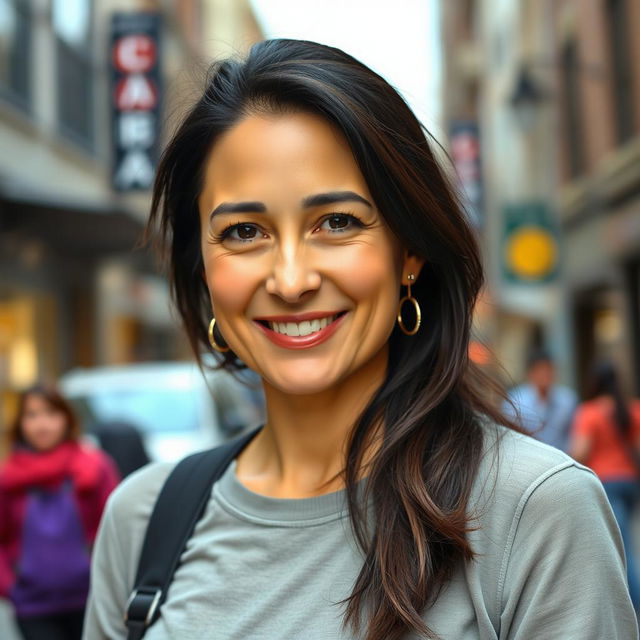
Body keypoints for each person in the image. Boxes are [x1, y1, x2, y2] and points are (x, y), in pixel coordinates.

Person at [83, 39, 636, 640]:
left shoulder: (536, 511)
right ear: (203, 270)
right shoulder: (141, 520)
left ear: (410, 253)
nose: (291, 280)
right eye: (244, 231)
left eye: (338, 223)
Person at [0, 384, 120, 640]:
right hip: (33, 605)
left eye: (51, 413)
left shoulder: (95, 467)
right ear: (20, 423)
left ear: (67, 418)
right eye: (32, 415)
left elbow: (117, 531)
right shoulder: (8, 478)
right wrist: (10, 586)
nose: (42, 424)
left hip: (91, 600)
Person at [571, 360, 640, 611]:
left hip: (605, 485)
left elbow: (580, 451)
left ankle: (631, 607)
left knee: (620, 550)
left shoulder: (589, 412)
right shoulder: (632, 410)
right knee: (626, 542)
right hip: (630, 483)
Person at [503, 349, 578, 452]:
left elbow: (573, 435)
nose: (545, 374)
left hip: (562, 458)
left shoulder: (567, 399)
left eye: (548, 369)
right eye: (540, 370)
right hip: (528, 457)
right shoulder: (515, 401)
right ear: (530, 373)